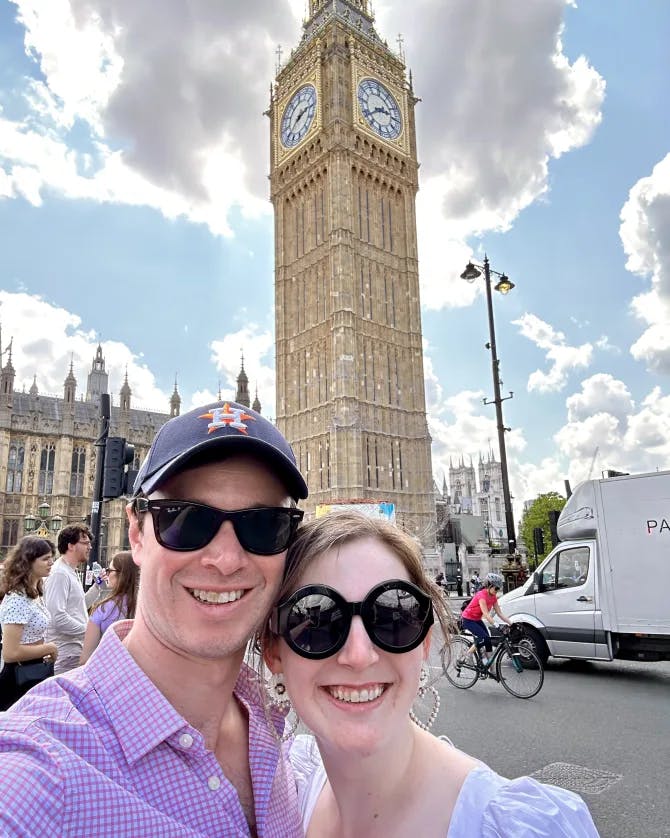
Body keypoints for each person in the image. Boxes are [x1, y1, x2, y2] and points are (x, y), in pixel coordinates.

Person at [0, 400, 308, 837]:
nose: (224, 559)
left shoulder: (272, 730)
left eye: (264, 525)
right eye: (185, 519)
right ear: (136, 534)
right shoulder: (41, 770)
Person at [262, 512, 599, 836]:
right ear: (273, 650)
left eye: (395, 615)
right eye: (317, 622)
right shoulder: (283, 791)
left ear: (424, 641)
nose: (358, 655)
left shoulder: (517, 828)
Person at [0, 536, 58, 710]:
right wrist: (49, 648)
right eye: (45, 558)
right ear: (29, 561)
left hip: (33, 668)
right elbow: (10, 653)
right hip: (18, 675)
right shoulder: (17, 599)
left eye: (51, 558)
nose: (51, 562)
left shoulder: (33, 592)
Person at [44, 522, 93, 674]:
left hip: (74, 649)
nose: (89, 547)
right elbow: (57, 617)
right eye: (85, 543)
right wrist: (88, 631)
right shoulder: (60, 573)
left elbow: (77, 607)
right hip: (65, 652)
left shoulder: (70, 571)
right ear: (71, 546)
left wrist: (98, 588)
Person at [79, 550, 139, 664]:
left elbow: (86, 658)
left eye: (109, 570)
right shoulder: (148, 609)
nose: (106, 574)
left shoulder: (102, 609)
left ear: (121, 574)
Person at [460, 572, 511, 666]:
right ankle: (467, 654)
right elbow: (486, 614)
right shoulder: (481, 595)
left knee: (488, 641)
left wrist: (511, 623)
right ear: (490, 586)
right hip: (468, 619)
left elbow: (499, 613)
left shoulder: (493, 597)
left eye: (499, 589)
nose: (497, 590)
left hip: (476, 619)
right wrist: (497, 625)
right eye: (496, 588)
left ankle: (490, 667)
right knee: (483, 638)